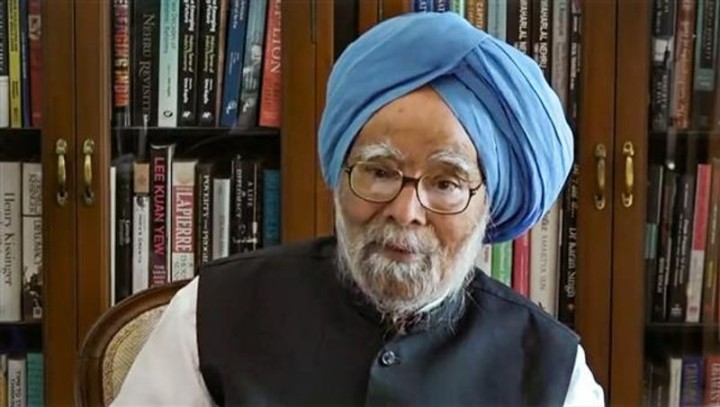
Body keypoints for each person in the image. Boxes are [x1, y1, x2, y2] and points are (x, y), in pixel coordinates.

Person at [111, 11, 604, 406]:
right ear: (339, 174)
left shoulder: (553, 371)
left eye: (446, 183)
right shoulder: (213, 312)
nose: (406, 212)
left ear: (487, 205)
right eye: (380, 172)